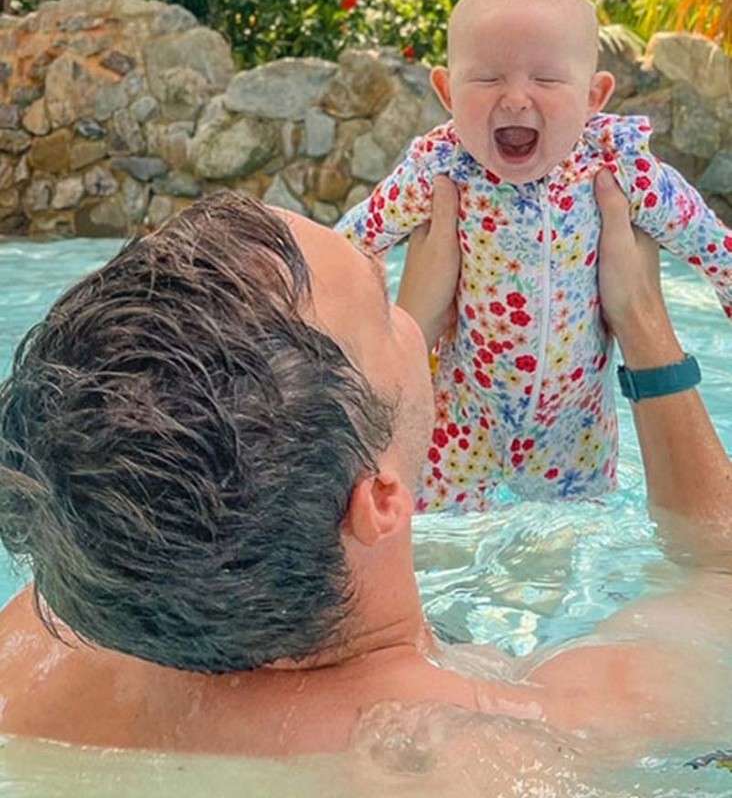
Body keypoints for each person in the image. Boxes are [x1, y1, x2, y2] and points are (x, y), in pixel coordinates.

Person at [0, 174, 730, 778]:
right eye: (386, 309)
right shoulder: (496, 742)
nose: (406, 312)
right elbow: (721, 571)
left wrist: (381, 378)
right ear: (381, 499)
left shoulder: (36, 644)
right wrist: (642, 322)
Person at [339, 0, 732, 511]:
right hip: (459, 435)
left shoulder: (618, 169)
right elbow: (355, 242)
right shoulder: (440, 170)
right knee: (443, 548)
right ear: (446, 91)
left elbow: (708, 242)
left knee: (566, 559)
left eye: (546, 80)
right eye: (486, 79)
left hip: (575, 442)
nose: (517, 98)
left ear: (593, 96)